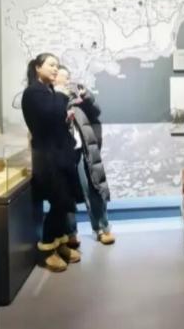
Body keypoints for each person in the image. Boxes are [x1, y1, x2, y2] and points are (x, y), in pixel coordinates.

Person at [21, 53, 82, 272]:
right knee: (58, 202)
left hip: (60, 155)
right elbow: (49, 116)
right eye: (51, 65)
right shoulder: (32, 93)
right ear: (38, 68)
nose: (55, 69)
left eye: (57, 65)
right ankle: (48, 248)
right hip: (48, 158)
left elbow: (56, 119)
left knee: (65, 201)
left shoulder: (48, 91)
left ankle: (61, 243)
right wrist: (61, 96)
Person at [55, 66, 116, 247]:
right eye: (62, 77)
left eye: (67, 77)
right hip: (62, 153)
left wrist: (87, 96)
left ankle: (102, 229)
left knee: (93, 189)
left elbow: (96, 112)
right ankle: (70, 234)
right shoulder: (51, 100)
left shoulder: (78, 98)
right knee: (66, 194)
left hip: (83, 151)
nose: (66, 80)